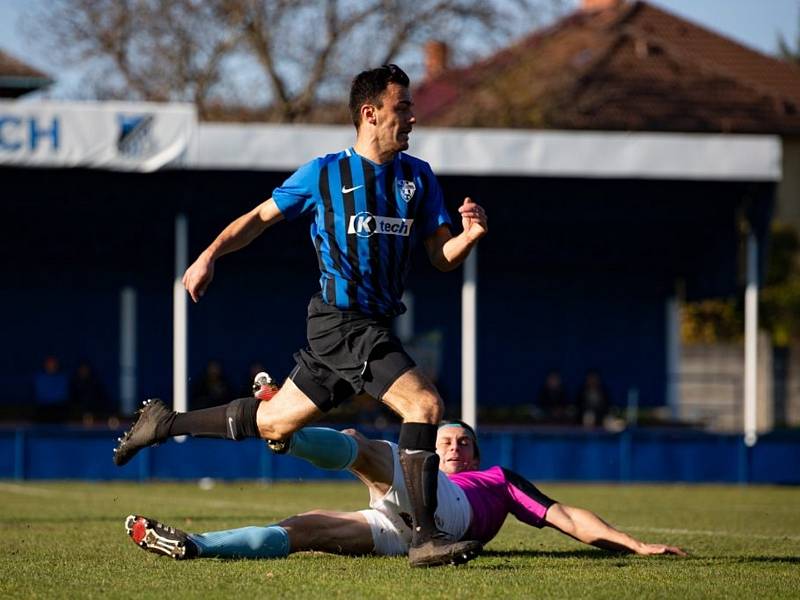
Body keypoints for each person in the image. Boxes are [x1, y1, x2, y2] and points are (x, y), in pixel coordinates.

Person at [113, 64, 488, 567]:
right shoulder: (324, 173)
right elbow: (258, 220)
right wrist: (208, 256)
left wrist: (467, 238)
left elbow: (442, 257)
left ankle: (164, 421)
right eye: (404, 108)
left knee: (273, 424)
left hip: (368, 326)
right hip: (342, 322)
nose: (413, 118)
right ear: (370, 113)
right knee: (424, 406)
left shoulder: (417, 178)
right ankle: (425, 536)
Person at [125, 420, 686, 563]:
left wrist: (633, 546)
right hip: (407, 524)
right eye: (444, 442)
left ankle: (284, 433)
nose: (452, 449)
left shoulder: (496, 480)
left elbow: (564, 514)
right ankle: (198, 545)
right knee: (306, 528)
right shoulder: (428, 462)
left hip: (445, 514)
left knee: (360, 448)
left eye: (462, 443)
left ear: (476, 455)